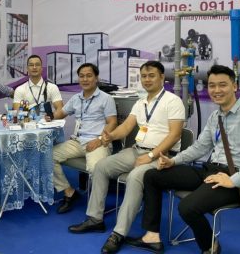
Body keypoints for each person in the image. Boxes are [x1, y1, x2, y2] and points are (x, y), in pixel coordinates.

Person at [128, 65, 240, 254]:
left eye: (222, 85)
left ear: (234, 86)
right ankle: (152, 236)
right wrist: (173, 161)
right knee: (152, 176)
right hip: (210, 171)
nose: (216, 90)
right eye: (212, 86)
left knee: (187, 207)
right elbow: (200, 147)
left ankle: (210, 247)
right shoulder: (215, 116)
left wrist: (233, 180)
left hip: (236, 178)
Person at [67, 61, 186, 254]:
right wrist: (109, 137)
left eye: (152, 75)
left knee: (134, 177)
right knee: (101, 166)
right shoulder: (140, 102)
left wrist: (151, 155)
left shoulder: (173, 101)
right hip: (137, 150)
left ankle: (118, 233)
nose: (147, 80)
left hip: (162, 156)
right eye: (144, 76)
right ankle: (95, 219)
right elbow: (125, 128)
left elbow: (175, 135)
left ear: (162, 77)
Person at [50, 63, 118, 214]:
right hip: (78, 142)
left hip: (98, 142)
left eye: (89, 76)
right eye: (81, 76)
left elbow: (112, 122)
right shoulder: (76, 98)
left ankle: (95, 211)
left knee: (96, 169)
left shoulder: (106, 98)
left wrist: (99, 139)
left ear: (96, 78)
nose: (85, 79)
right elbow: (60, 114)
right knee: (47, 156)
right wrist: (49, 117)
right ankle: (69, 192)